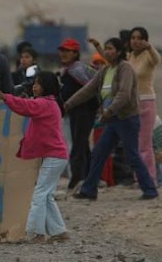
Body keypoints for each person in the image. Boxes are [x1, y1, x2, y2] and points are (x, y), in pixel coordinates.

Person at [67, 37, 158, 201]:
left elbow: (124, 94)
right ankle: (89, 190)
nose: (107, 51)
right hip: (113, 120)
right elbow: (88, 90)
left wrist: (109, 111)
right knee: (99, 153)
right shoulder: (105, 71)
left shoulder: (125, 69)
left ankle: (150, 189)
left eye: (110, 48)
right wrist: (67, 104)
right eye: (106, 48)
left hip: (127, 118)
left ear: (118, 52)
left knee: (132, 155)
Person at [0, 71, 69, 243]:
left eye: (38, 83)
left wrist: (5, 97)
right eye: (34, 83)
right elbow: (29, 105)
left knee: (39, 194)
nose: (35, 86)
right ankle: (58, 232)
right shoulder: (50, 103)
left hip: (54, 156)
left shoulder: (44, 104)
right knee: (46, 195)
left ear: (47, 87)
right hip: (57, 156)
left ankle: (35, 233)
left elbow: (25, 107)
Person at [57, 37, 98, 191]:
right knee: (82, 145)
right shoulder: (69, 70)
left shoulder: (77, 70)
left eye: (67, 51)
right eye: (62, 51)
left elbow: (89, 90)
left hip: (83, 111)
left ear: (75, 53)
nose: (63, 54)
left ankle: (76, 179)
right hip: (76, 112)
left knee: (78, 146)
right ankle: (87, 177)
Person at [127, 26, 160, 184]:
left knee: (145, 144)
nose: (136, 41)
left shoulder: (148, 55)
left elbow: (157, 60)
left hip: (147, 101)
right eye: (133, 38)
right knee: (134, 143)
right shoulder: (130, 56)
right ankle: (138, 178)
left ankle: (150, 179)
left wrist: (150, 47)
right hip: (132, 104)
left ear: (145, 40)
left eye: (139, 38)